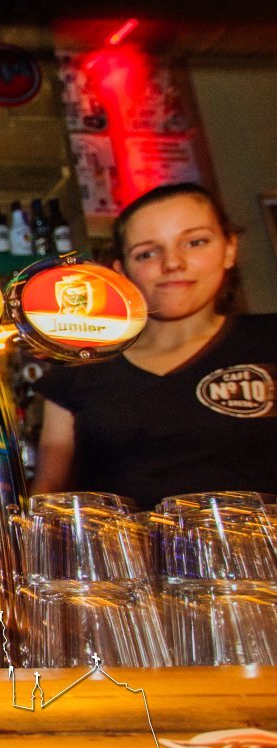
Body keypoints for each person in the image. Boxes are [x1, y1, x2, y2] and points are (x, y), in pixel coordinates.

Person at [33, 182, 277, 508]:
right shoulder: (80, 365)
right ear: (121, 271)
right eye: (147, 253)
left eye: (195, 242)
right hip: (121, 543)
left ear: (230, 249)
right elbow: (49, 491)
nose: (172, 263)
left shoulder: (268, 340)